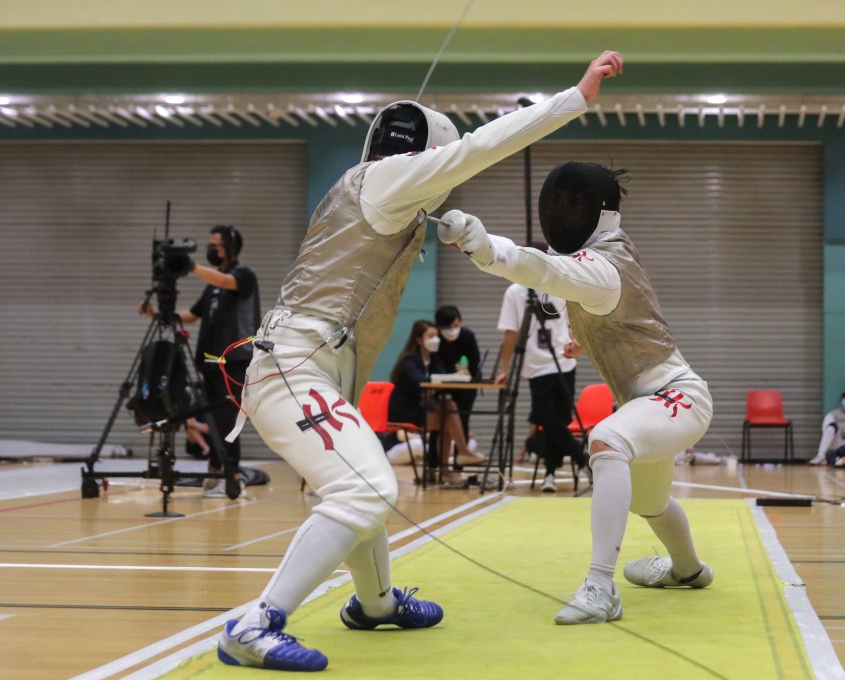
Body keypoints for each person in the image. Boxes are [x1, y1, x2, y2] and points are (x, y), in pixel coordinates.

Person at [215, 51, 624, 671]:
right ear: (423, 157)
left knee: (360, 479)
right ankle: (254, 624)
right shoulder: (386, 183)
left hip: (311, 368)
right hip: (296, 369)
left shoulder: (361, 189)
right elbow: (483, 146)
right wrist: (576, 96)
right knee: (366, 486)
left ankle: (375, 604)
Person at [437, 159, 713, 626]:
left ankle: (601, 587)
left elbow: (546, 270)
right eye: (557, 203)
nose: (563, 212)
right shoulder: (606, 252)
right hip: (648, 401)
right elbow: (564, 283)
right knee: (649, 502)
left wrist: (485, 248)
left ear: (597, 211)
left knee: (606, 442)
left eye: (573, 204)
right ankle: (688, 570)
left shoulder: (603, 267)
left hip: (676, 395)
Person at [140, 224, 260, 497]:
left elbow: (225, 281)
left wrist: (190, 266)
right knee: (214, 420)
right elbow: (193, 316)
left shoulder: (243, 275)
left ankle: (234, 475)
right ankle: (216, 470)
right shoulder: (212, 289)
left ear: (230, 247)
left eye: (214, 245)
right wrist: (155, 315)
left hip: (234, 362)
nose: (210, 249)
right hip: (209, 362)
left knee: (228, 419)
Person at [496, 282, 588, 492]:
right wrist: (506, 369)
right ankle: (584, 460)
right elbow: (511, 333)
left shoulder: (560, 285)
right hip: (536, 366)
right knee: (546, 418)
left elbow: (573, 322)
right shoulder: (516, 292)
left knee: (561, 420)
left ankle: (550, 474)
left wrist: (577, 345)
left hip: (564, 362)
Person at [389, 320, 484, 484]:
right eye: (431, 336)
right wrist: (445, 380)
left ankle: (446, 465)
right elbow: (420, 381)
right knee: (446, 414)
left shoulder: (434, 360)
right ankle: (456, 458)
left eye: (437, 336)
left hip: (426, 408)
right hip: (406, 411)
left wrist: (457, 374)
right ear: (419, 340)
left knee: (448, 408)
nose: (436, 340)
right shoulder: (409, 360)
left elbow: (441, 379)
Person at [433, 305, 482, 435]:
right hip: (442, 383)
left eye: (455, 325)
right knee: (440, 419)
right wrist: (451, 374)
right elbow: (435, 362)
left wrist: (466, 372)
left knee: (463, 418)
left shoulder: (467, 336)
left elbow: (475, 360)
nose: (452, 330)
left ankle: (462, 452)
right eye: (447, 327)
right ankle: (437, 454)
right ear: (439, 326)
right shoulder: (435, 338)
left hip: (466, 384)